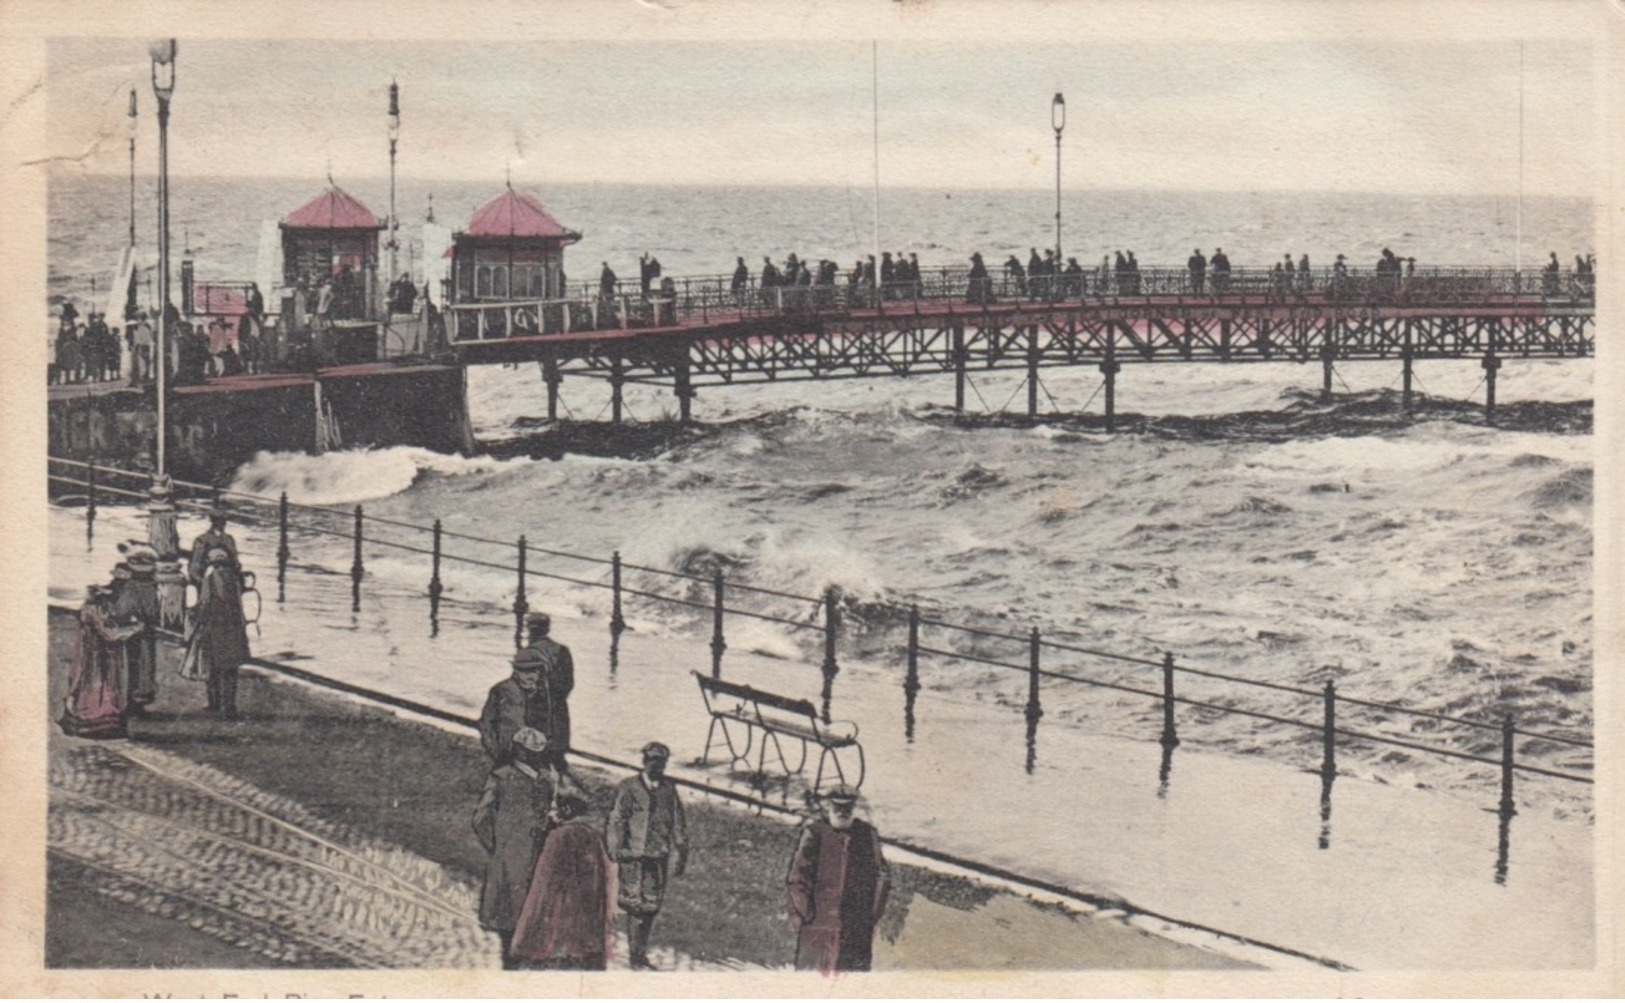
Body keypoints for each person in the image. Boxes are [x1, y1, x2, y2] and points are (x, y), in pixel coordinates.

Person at [473, 726, 557, 970]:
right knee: (508, 911)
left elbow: (549, 811)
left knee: (534, 905)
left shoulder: (546, 778)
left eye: (538, 752)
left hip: (538, 852)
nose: (536, 756)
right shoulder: (501, 777)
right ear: (519, 751)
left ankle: (523, 955)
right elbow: (481, 818)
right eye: (531, 752)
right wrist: (497, 845)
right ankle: (510, 960)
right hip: (510, 854)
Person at [786, 784, 891, 975]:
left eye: (847, 808)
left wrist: (870, 917)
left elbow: (882, 878)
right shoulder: (815, 833)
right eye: (837, 807)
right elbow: (797, 879)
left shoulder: (866, 835)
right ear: (828, 807)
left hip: (854, 929)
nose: (842, 812)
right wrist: (807, 914)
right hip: (819, 925)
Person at [607, 741, 689, 970]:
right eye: (652, 760)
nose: (656, 765)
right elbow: (617, 819)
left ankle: (640, 953)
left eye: (661, 762)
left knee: (651, 907)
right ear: (644, 761)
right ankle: (635, 957)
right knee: (634, 906)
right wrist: (615, 848)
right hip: (633, 856)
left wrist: (681, 852)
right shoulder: (629, 787)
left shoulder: (668, 790)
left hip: (656, 856)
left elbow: (678, 823)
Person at [510, 792, 614, 970]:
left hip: (562, 893)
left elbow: (547, 874)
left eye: (554, 810)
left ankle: (554, 951)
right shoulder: (592, 835)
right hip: (587, 894)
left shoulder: (559, 836)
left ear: (565, 811)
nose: (551, 814)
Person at [59, 584, 141, 739]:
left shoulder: (97, 606)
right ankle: (95, 722)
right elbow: (109, 632)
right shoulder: (94, 608)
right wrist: (134, 628)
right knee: (98, 685)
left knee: (99, 685)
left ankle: (97, 721)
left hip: (100, 654)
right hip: (97, 655)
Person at [181, 546, 252, 719]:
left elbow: (204, 603)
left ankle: (214, 702)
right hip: (233, 627)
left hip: (214, 626)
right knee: (230, 668)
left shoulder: (211, 578)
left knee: (211, 665)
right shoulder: (235, 579)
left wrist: (193, 617)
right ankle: (229, 706)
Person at [519, 611, 574, 774]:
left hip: (535, 712)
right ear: (548, 629)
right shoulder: (561, 650)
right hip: (557, 710)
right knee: (556, 757)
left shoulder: (526, 653)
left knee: (534, 758)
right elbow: (568, 683)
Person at [479, 646, 547, 766]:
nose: (532, 676)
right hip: (507, 751)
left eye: (536, 672)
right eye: (527, 672)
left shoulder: (537, 691)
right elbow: (496, 725)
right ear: (516, 671)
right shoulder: (508, 691)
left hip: (528, 750)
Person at [187, 507, 241, 589]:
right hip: (208, 581)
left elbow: (236, 563)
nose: (222, 524)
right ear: (213, 521)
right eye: (219, 520)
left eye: (223, 521)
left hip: (228, 580)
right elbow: (195, 566)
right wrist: (202, 581)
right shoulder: (202, 540)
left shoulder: (229, 540)